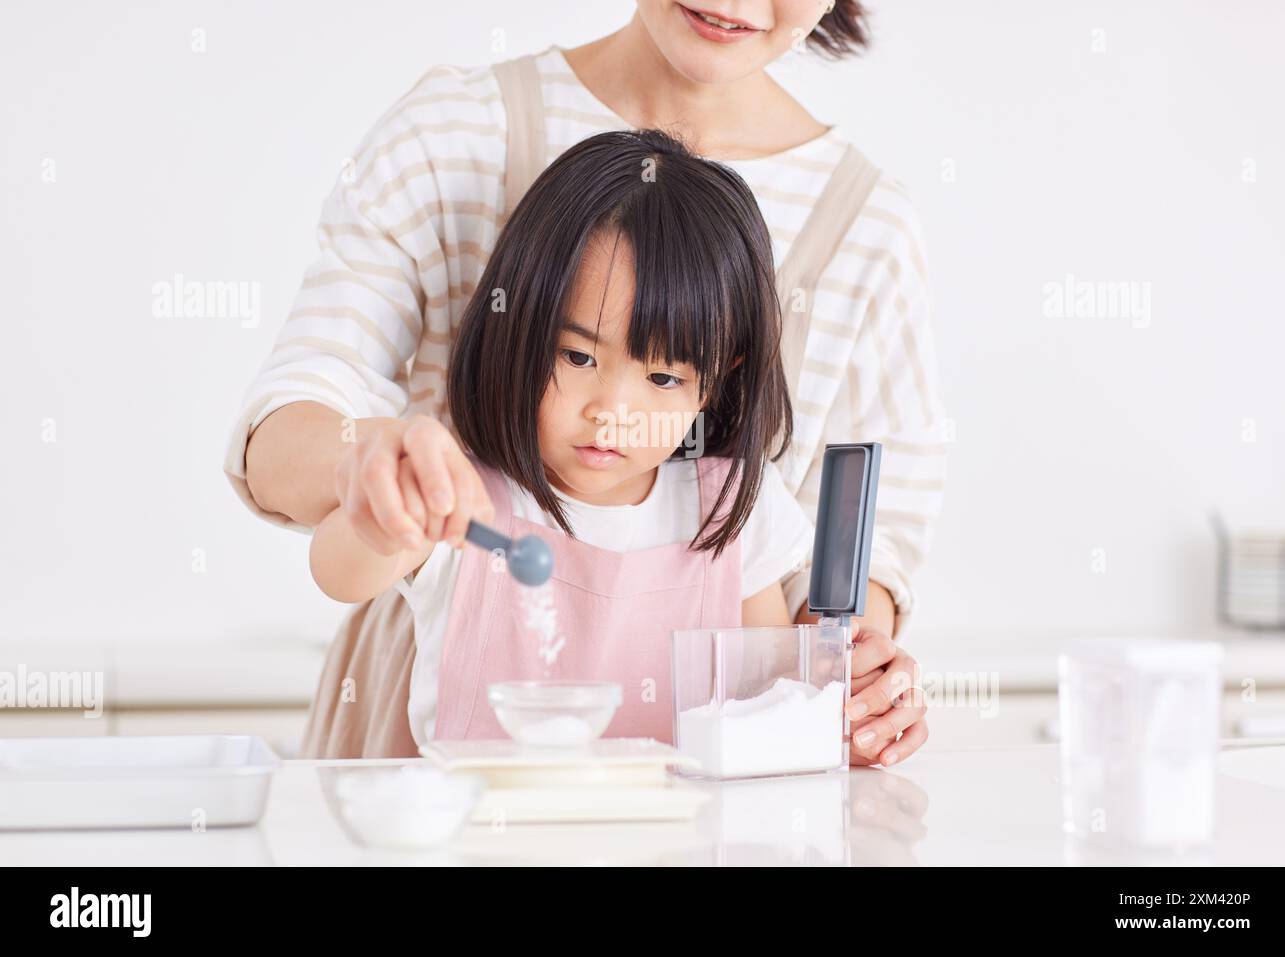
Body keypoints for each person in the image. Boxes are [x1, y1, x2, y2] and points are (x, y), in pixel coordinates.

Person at [224, 1, 946, 764]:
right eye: (576, 357)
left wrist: (839, 683)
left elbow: (876, 535)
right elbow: (303, 422)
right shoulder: (455, 129)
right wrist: (376, 474)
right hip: (425, 768)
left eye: (665, 374)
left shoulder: (871, 225)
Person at [309, 128, 813, 745]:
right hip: (485, 833)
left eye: (662, 376)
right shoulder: (469, 494)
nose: (612, 413)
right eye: (576, 358)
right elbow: (339, 573)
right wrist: (380, 515)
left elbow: (774, 703)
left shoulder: (731, 508)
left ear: (716, 381)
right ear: (520, 328)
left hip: (677, 838)